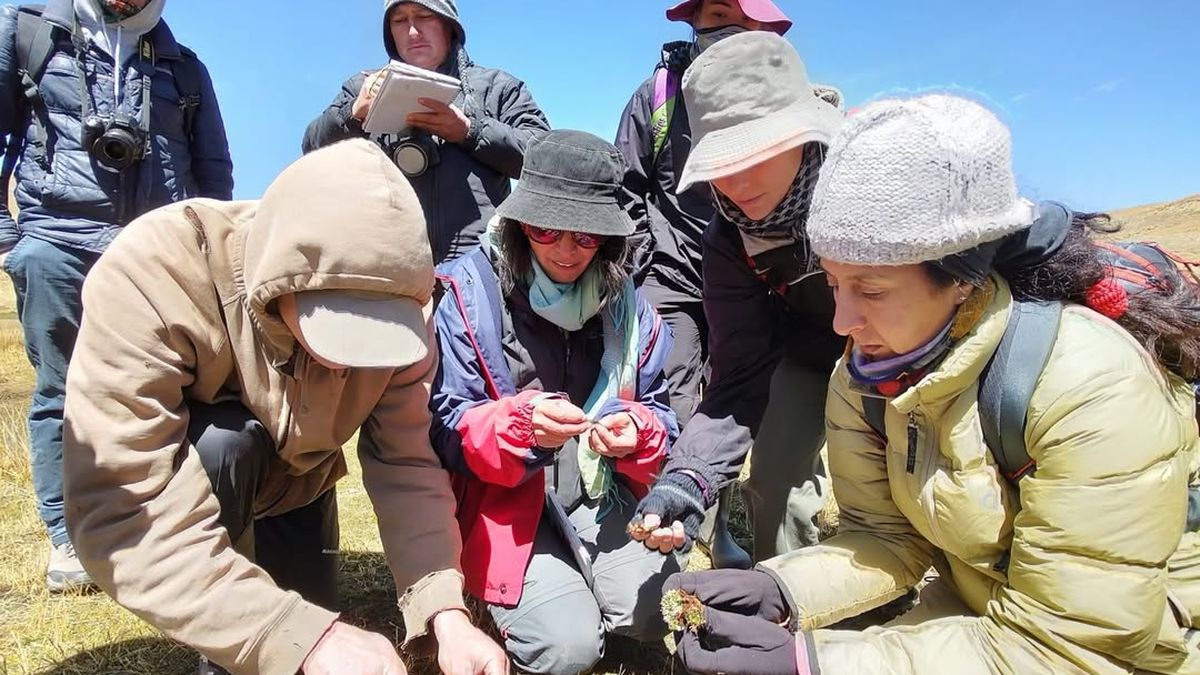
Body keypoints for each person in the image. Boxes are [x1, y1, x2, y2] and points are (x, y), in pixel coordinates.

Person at [666, 94, 1200, 675]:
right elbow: (887, 539)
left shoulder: (1086, 388)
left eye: (870, 290)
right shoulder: (865, 374)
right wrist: (780, 589)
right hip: (982, 622)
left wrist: (812, 663)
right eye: (833, 284)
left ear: (962, 280)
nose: (842, 322)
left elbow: (1076, 646)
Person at [62, 140, 507, 675]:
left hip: (300, 481)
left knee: (310, 621)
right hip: (205, 485)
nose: (351, 363)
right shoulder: (156, 272)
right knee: (227, 448)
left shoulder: (407, 313)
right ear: (278, 281)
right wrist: (280, 633)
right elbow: (123, 501)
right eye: (338, 324)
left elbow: (406, 463)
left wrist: (446, 614)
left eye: (379, 332)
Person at [0, 0, 233, 592]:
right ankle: (69, 539)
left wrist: (206, 255)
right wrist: (12, 242)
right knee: (62, 389)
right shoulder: (26, 34)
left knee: (171, 390)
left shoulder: (183, 67)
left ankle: (160, 527)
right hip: (58, 240)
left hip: (153, 252)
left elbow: (213, 171)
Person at [431, 130, 681, 674]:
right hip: (503, 502)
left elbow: (662, 414)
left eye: (587, 236)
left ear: (609, 239)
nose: (566, 251)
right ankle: (522, 593)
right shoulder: (468, 294)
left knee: (659, 612)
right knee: (566, 651)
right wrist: (519, 427)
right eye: (546, 229)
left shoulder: (630, 308)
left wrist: (636, 431)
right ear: (521, 224)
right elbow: (446, 427)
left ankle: (577, 580)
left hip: (600, 491)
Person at [628, 31, 845, 562]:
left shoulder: (871, 176)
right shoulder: (728, 240)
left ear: (804, 134)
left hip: (922, 353)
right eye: (720, 160)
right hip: (811, 353)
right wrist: (687, 476)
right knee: (775, 482)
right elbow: (739, 377)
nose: (737, 182)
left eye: (757, 150)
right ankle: (787, 611)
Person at [303, 0, 549, 264]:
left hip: (479, 270)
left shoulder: (498, 88)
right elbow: (311, 149)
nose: (412, 32)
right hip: (387, 272)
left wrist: (470, 131)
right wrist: (352, 115)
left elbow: (544, 159)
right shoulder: (362, 88)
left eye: (423, 16)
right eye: (399, 21)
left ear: (449, 25)